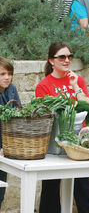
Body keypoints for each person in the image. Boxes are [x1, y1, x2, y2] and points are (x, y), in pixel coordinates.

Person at [35, 42, 89, 213]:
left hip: (78, 142)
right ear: (51, 60)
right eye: (62, 57)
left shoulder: (78, 80)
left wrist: (75, 86)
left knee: (83, 189)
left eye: (69, 56)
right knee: (50, 189)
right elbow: (45, 116)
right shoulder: (44, 86)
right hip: (56, 142)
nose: (67, 60)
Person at [0, 56, 21, 209]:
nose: (7, 77)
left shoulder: (12, 89)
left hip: (5, 148)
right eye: (2, 74)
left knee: (0, 193)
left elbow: (19, 113)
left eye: (9, 73)